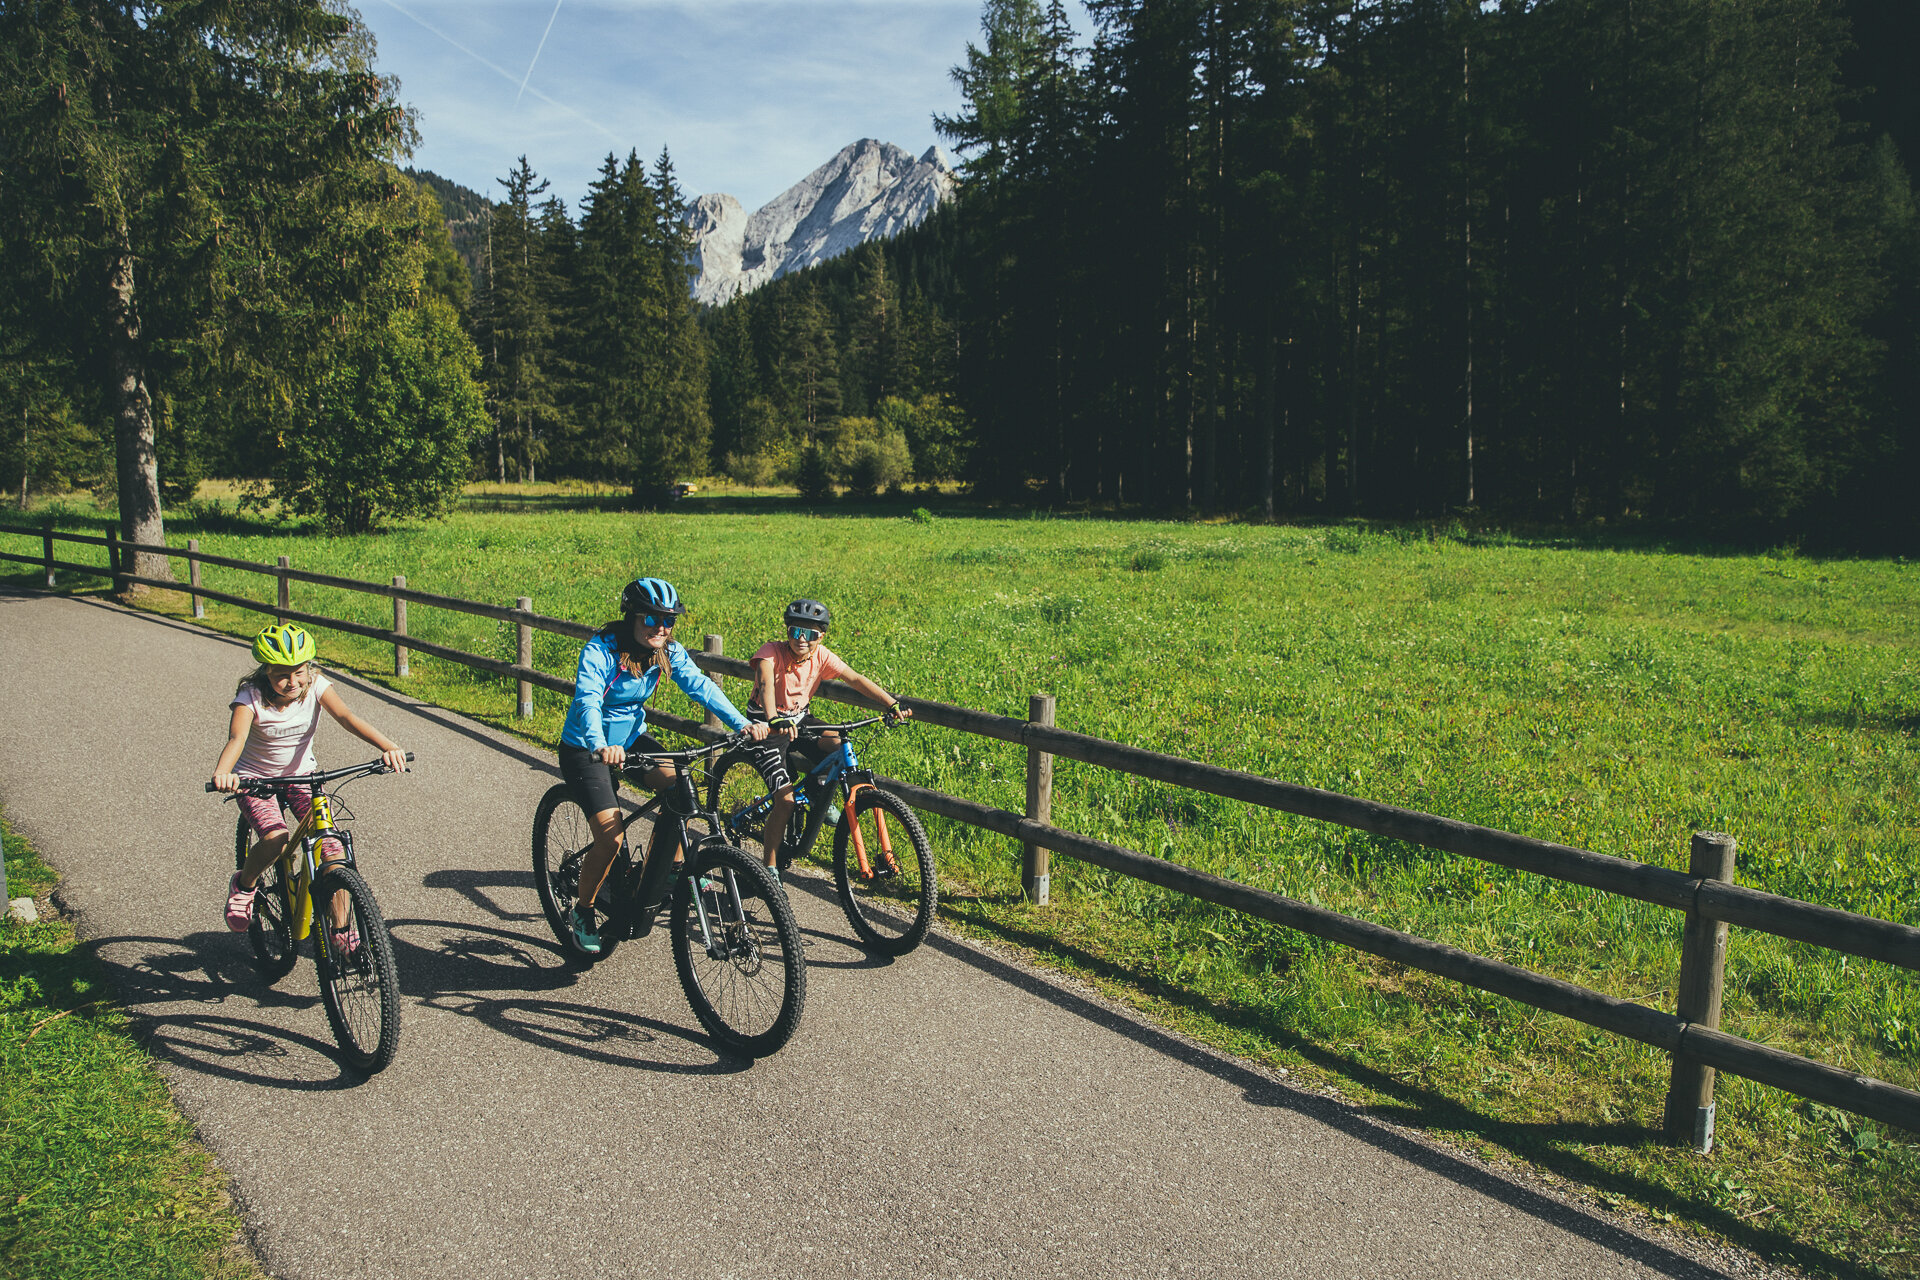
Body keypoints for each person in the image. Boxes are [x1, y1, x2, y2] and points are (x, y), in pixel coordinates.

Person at [558, 576, 770, 955]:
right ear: (631, 618)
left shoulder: (667, 650)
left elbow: (700, 686)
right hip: (586, 748)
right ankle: (583, 911)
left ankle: (669, 875)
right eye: (651, 618)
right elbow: (588, 700)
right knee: (611, 837)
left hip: (631, 741)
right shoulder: (601, 650)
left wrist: (742, 723)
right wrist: (600, 744)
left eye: (668, 620)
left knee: (680, 790)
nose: (661, 627)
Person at [211, 624, 408, 952]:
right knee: (276, 838)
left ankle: (341, 929)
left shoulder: (316, 685)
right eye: (281, 675)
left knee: (333, 851)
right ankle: (244, 884)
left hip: (303, 777)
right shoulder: (251, 696)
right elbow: (237, 738)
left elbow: (346, 716)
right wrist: (223, 772)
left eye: (299, 672)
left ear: (309, 668)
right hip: (257, 780)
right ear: (266, 672)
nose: (292, 682)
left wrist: (388, 746)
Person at [739, 598, 910, 874]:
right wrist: (772, 717)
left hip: (799, 719)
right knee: (784, 801)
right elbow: (765, 681)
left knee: (839, 745)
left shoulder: (822, 656)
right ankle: (768, 869)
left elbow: (854, 679)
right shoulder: (771, 652)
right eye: (796, 631)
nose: (802, 639)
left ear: (822, 636)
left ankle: (819, 796)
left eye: (811, 634)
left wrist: (890, 703)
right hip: (767, 725)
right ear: (787, 632)